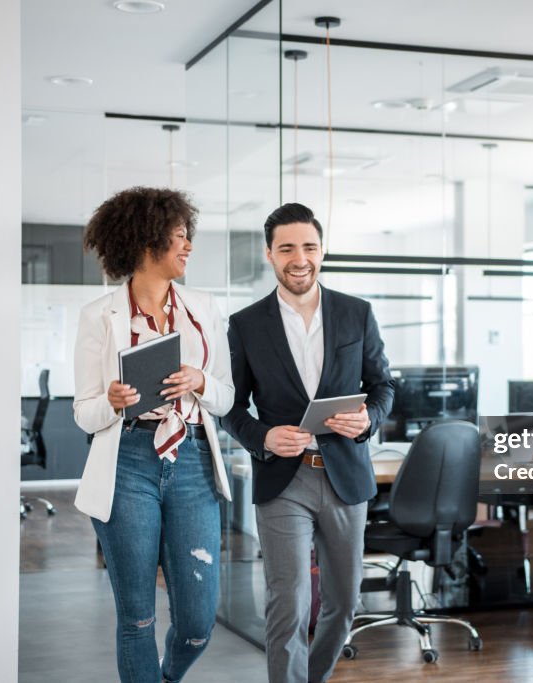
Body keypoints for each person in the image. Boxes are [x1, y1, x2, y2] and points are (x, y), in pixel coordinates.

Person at [221, 203, 394, 683]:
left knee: (344, 602)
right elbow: (229, 408)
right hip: (284, 479)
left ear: (322, 250)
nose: (300, 258)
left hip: (344, 475)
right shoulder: (246, 324)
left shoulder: (357, 314)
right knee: (290, 601)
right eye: (287, 248)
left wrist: (367, 419)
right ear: (270, 255)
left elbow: (384, 386)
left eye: (309, 247)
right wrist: (263, 436)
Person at [72, 187, 234, 683]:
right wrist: (114, 402)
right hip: (127, 461)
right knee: (137, 617)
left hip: (191, 459)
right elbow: (84, 412)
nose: (188, 247)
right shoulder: (99, 315)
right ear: (147, 241)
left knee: (197, 623)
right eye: (179, 236)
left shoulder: (203, 308)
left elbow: (225, 398)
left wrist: (201, 380)